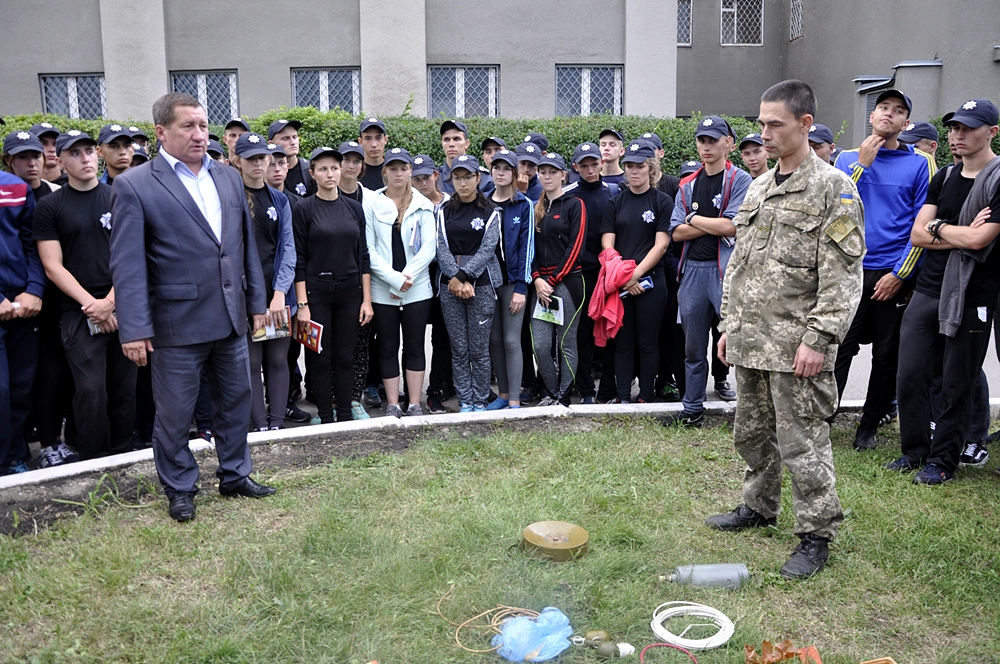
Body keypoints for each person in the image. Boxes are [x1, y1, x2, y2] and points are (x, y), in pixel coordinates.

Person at [712, 79, 865, 579]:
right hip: (752, 339)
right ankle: (759, 506)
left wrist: (819, 339)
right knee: (751, 434)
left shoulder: (833, 188)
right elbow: (740, 266)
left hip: (797, 346)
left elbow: (843, 277)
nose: (765, 133)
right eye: (760, 123)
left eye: (775, 124)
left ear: (804, 124)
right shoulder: (758, 186)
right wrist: (728, 325)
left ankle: (817, 533)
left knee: (803, 443)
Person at [109, 92, 276, 523]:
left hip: (230, 316)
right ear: (162, 132)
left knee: (237, 399)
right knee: (176, 414)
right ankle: (181, 488)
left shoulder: (228, 176)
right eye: (188, 126)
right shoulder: (135, 185)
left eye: (203, 126)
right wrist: (133, 329)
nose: (199, 134)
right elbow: (127, 267)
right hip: (174, 324)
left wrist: (256, 303)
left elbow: (242, 250)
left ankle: (236, 474)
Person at [890, 99, 1000, 483]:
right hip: (929, 288)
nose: (958, 135)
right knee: (910, 374)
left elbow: (982, 239)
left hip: (973, 293)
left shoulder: (998, 179)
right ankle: (915, 451)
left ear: (992, 132)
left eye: (968, 128)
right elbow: (919, 233)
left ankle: (943, 461)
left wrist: (941, 229)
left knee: (957, 381)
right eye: (954, 128)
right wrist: (958, 233)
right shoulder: (946, 176)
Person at [833, 89, 932, 450]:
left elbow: (922, 224)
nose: (888, 114)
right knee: (839, 348)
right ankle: (824, 419)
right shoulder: (845, 159)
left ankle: (869, 425)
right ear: (871, 116)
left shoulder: (920, 163)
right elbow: (835, 211)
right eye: (883, 108)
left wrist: (900, 275)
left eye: (898, 111)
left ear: (906, 123)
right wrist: (862, 165)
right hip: (850, 272)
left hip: (892, 273)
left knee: (887, 355)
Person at [34, 130, 136, 460]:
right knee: (91, 390)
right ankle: (93, 458)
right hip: (78, 310)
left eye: (90, 151)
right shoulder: (50, 206)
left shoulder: (120, 196)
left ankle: (123, 453)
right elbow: (53, 265)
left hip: (121, 303)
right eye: (75, 153)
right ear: (60, 160)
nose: (85, 158)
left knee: (124, 388)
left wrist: (110, 301)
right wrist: (92, 305)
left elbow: (134, 254)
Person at [668, 116, 752, 426]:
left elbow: (732, 226)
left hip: (726, 272)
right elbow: (675, 232)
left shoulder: (740, 180)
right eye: (702, 140)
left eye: (713, 140)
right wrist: (705, 223)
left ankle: (748, 411)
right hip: (692, 272)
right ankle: (692, 408)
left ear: (728, 143)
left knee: (736, 342)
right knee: (693, 345)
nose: (706, 146)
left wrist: (693, 219)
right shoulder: (688, 184)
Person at [293, 146, 374, 424]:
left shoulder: (354, 208)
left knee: (344, 357)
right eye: (323, 169)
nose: (330, 174)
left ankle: (345, 415)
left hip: (351, 293)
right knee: (320, 359)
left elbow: (363, 256)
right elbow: (299, 260)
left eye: (334, 168)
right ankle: (325, 416)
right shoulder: (303, 209)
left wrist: (367, 300)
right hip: (317, 295)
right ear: (313, 173)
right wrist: (302, 305)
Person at [231, 132, 296, 432]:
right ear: (237, 161)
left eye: (262, 157)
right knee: (252, 362)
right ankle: (258, 425)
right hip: (246, 295)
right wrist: (253, 298)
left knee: (278, 359)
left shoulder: (279, 199)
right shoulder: (231, 198)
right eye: (251, 158)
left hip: (277, 293)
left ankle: (277, 423)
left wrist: (280, 293)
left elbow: (288, 249)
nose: (258, 164)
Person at [598, 141, 672, 404]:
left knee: (648, 341)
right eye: (629, 165)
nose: (633, 171)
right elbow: (607, 244)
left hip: (652, 281)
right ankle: (621, 396)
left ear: (650, 169)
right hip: (622, 282)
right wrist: (623, 276)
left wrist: (636, 275)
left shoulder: (662, 201)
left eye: (639, 166)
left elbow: (661, 244)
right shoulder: (615, 203)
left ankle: (646, 396)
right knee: (623, 341)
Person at [366, 148, 436, 418]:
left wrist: (406, 279)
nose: (398, 173)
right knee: (387, 346)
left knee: (416, 345)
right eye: (392, 169)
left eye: (403, 168)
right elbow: (369, 250)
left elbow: (429, 247)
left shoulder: (423, 204)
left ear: (410, 171)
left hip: (417, 288)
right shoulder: (371, 202)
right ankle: (393, 403)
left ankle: (415, 403)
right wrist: (394, 280)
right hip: (384, 289)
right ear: (385, 172)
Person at [435, 155, 501, 412]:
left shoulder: (491, 211)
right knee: (459, 347)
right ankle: (465, 399)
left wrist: (465, 276)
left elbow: (488, 248)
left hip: (482, 284)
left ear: (478, 178)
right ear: (451, 179)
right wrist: (454, 276)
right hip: (449, 285)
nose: (462, 182)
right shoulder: (443, 210)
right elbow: (440, 247)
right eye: (457, 177)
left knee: (479, 349)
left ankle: (480, 398)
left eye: (468, 177)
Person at [564, 142, 619, 404]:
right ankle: (585, 388)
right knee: (582, 333)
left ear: (601, 163)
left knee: (609, 330)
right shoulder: (568, 194)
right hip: (581, 274)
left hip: (609, 273)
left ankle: (609, 388)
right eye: (583, 166)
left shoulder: (614, 191)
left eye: (593, 164)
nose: (589, 170)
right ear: (575, 167)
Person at [0, 144, 44, 475]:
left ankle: (15, 455)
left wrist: (34, 290)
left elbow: (32, 242)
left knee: (20, 385)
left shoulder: (15, 188)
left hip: (23, 305)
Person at [530, 153, 586, 407]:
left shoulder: (575, 204)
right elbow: (528, 249)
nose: (547, 176)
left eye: (553, 171)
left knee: (565, 342)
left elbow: (575, 248)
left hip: (568, 282)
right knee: (541, 345)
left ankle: (563, 396)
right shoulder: (536, 208)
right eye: (543, 172)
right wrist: (537, 279)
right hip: (541, 285)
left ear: (563, 174)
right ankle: (551, 393)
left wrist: (552, 280)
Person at [485, 148, 533, 410]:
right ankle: (502, 394)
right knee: (494, 340)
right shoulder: (483, 202)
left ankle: (514, 398)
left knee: (511, 340)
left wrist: (521, 287)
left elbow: (527, 248)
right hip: (489, 283)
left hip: (513, 284)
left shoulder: (523, 204)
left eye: (506, 169)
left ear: (515, 174)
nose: (500, 173)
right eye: (496, 168)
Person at [336, 140, 378, 417]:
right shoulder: (321, 196)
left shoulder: (372, 200)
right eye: (346, 160)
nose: (351, 166)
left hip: (361, 280)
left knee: (360, 345)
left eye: (356, 161)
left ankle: (354, 398)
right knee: (331, 348)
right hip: (326, 283)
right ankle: (330, 402)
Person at [412, 155, 453, 414]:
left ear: (436, 175)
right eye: (417, 178)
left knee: (442, 338)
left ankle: (437, 389)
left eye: (426, 177)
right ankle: (411, 390)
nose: (422, 182)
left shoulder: (450, 203)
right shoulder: (407, 204)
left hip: (443, 277)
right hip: (415, 278)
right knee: (414, 339)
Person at [269, 119, 313, 197]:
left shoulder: (309, 170)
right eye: (286, 138)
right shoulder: (264, 172)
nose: (293, 142)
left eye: (295, 137)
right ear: (271, 143)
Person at [358, 117, 388, 191]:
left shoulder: (392, 170)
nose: (374, 144)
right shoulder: (355, 171)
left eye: (378, 138)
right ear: (361, 141)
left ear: (385, 140)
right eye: (368, 138)